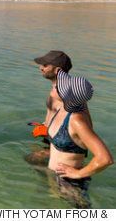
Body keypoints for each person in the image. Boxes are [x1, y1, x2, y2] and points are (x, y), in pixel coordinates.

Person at [34, 50, 113, 208]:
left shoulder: (76, 120)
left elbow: (105, 159)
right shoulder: (62, 110)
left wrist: (77, 173)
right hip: (57, 175)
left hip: (70, 183)